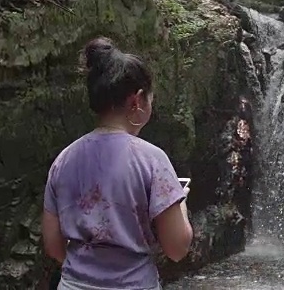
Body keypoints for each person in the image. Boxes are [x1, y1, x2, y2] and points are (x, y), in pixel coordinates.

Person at [41, 37, 193, 290]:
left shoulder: (64, 159)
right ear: (137, 100)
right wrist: (181, 202)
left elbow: (54, 246)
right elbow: (177, 248)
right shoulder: (152, 159)